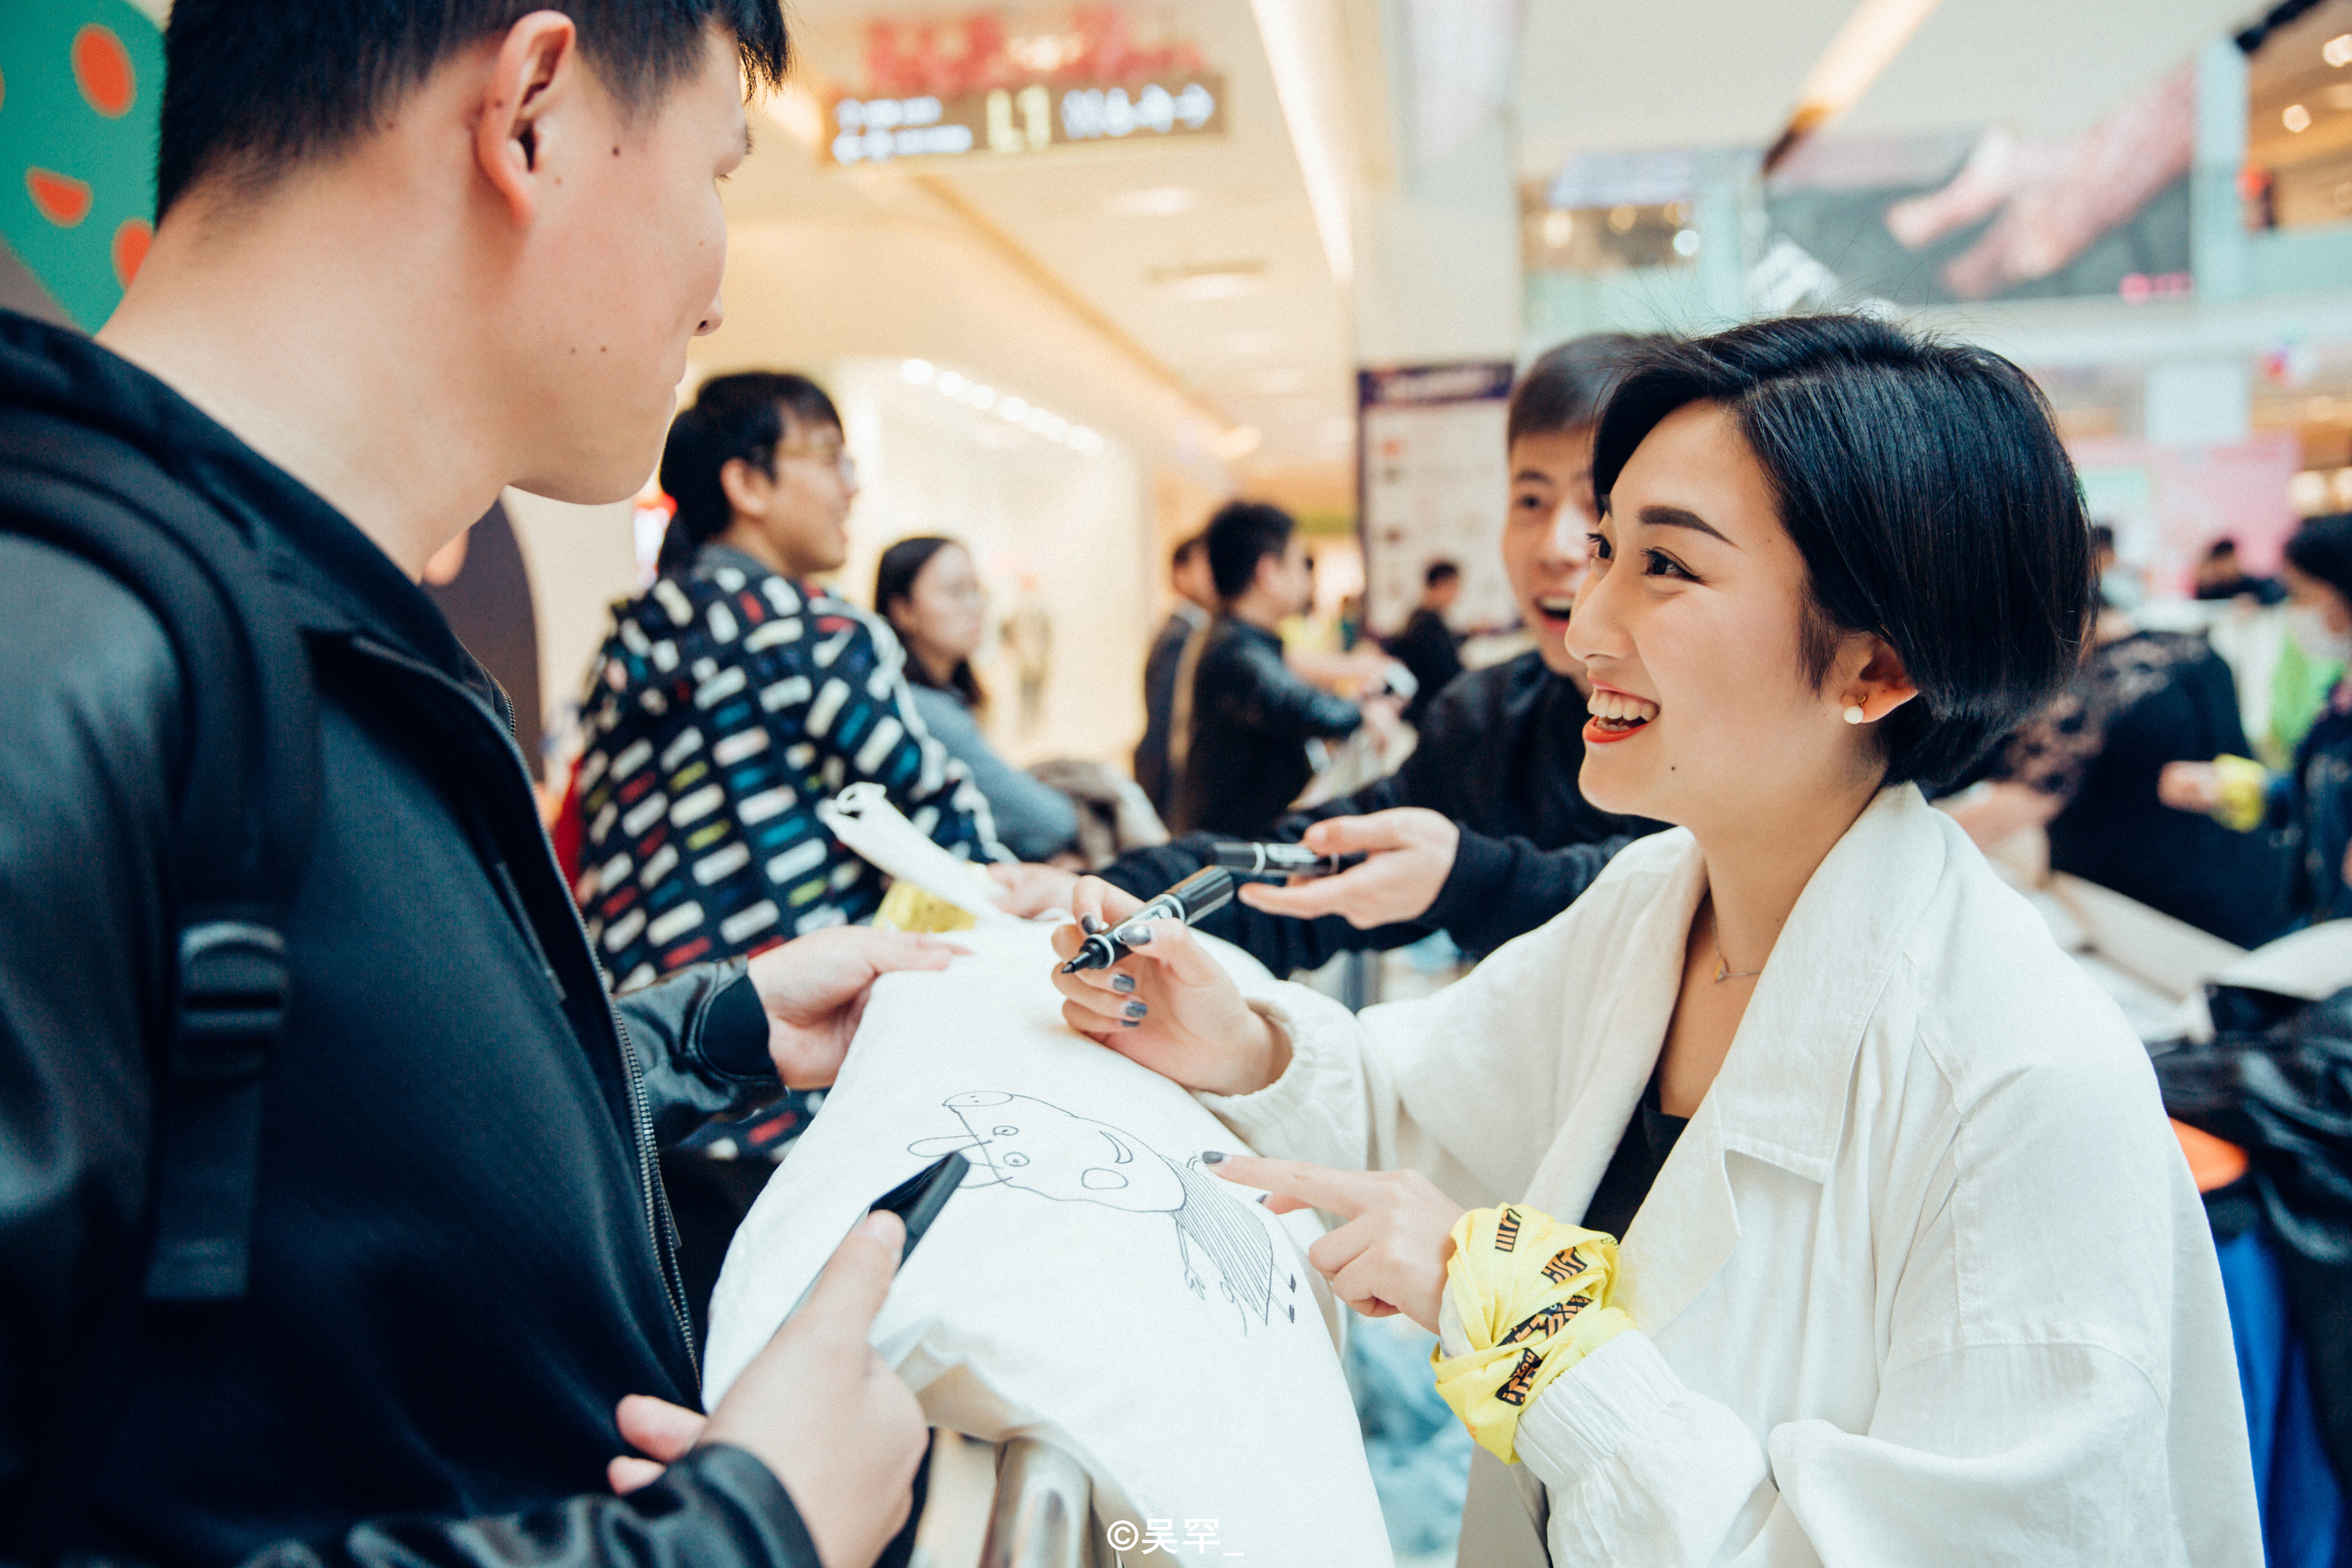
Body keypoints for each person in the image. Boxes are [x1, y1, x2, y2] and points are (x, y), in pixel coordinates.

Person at [1049, 316, 2258, 1564]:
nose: (1585, 623)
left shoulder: (2025, 1085)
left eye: (1667, 567)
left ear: (1877, 667)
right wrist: (1243, 1043)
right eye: (1604, 548)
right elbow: (1432, 1108)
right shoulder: (1659, 903)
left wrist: (1525, 1336)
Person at [0, 3, 944, 1566]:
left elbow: (303, 1177)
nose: (717, 289)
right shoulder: (62, 656)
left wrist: (700, 1036)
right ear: (533, 113)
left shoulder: (299, 623)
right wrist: (744, 1531)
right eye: (719, 171)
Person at [994, 334, 1661, 973]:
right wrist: (1119, 894)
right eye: (1530, 500)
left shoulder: (1708, 723)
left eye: (1598, 506)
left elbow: (1683, 896)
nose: (1556, 546)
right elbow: (1313, 862)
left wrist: (1470, 876)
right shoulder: (1487, 717)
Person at [575, 372, 1008, 987]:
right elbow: (943, 825)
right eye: (831, 459)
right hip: (794, 1010)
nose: (851, 487)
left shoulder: (630, 640)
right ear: (748, 484)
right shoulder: (812, 633)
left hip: (642, 1014)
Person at [1947, 609, 2290, 947]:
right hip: (2257, 884)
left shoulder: (2093, 692)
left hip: (2149, 921)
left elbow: (2007, 812)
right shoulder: (2197, 649)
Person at [2162, 512, 2352, 930]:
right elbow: (2316, 800)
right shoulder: (2339, 697)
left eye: (2300, 594)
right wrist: (2240, 787)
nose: (2291, 610)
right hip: (2325, 923)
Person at [1170, 501, 1390, 836]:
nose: (1306, 578)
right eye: (1300, 564)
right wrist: (1364, 712)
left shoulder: (1245, 640)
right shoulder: (1233, 650)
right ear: (1269, 573)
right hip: (1235, 848)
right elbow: (1295, 705)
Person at [876, 535, 1078, 862]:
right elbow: (1050, 822)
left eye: (977, 591)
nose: (975, 606)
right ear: (903, 610)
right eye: (956, 592)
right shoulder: (922, 708)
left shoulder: (941, 697)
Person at [1134, 532, 1214, 819]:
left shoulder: (1197, 631)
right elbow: (1167, 723)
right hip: (1170, 781)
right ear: (1180, 574)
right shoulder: (1182, 635)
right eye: (1206, 565)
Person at [1386, 560, 1465, 728]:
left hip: (1423, 707)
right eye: (1455, 587)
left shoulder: (1419, 618)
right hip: (1430, 711)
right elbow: (1448, 672)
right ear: (1443, 585)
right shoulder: (1429, 624)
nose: (1457, 594)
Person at [2196, 536, 2286, 604]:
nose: (2226, 567)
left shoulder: (2250, 583)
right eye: (2222, 562)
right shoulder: (2212, 589)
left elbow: (2275, 594)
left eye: (2229, 560)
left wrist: (2253, 600)